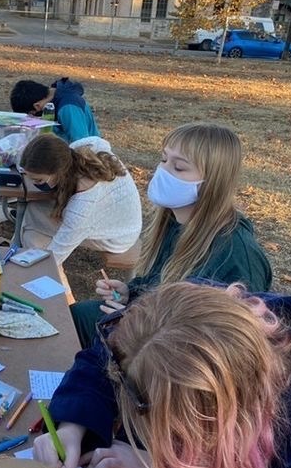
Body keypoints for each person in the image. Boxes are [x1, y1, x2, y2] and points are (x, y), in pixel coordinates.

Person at [33, 282, 291, 468]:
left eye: (144, 408)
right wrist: (73, 425)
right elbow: (108, 357)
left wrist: (157, 465)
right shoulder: (187, 312)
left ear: (207, 418)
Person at [70, 122, 272, 346]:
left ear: (213, 182)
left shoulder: (237, 255)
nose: (162, 172)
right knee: (77, 315)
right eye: (164, 159)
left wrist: (137, 322)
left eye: (179, 168)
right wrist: (131, 292)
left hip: (174, 356)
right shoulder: (174, 221)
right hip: (149, 327)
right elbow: (159, 281)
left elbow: (234, 344)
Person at [18, 135, 142, 303]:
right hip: (119, 218)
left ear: (58, 172)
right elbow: (100, 140)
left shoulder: (83, 205)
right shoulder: (79, 149)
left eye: (38, 180)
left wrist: (34, 260)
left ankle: (66, 302)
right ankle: (19, 253)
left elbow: (56, 254)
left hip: (118, 235)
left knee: (36, 240)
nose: (33, 183)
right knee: (34, 211)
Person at [10, 77, 100, 143]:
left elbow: (82, 144)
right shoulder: (54, 95)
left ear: (37, 106)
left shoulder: (68, 107)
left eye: (32, 114)